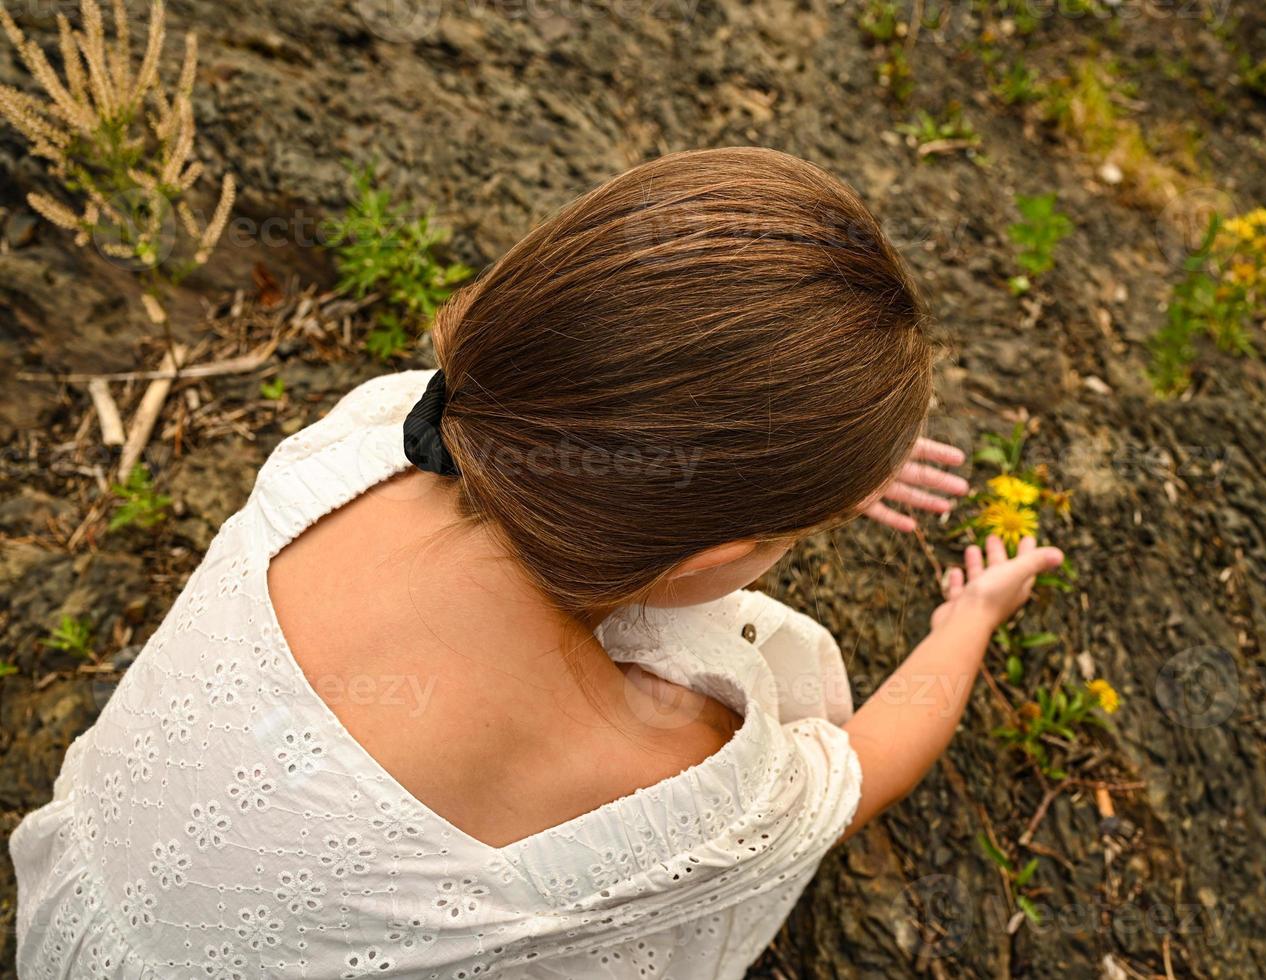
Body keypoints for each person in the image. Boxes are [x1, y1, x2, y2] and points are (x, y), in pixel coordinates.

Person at [11, 146, 1062, 979]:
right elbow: (861, 771)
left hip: (84, 917)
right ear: (727, 550)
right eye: (800, 529)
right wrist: (968, 616)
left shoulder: (369, 434)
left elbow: (616, 419)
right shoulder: (660, 763)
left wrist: (774, 470)